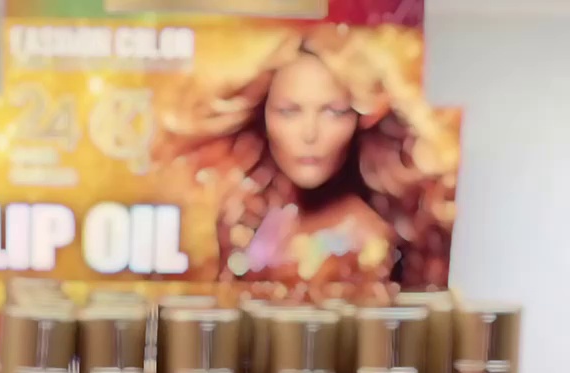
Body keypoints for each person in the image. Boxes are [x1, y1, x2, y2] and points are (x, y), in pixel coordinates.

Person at [154, 25, 460, 290]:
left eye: (333, 111)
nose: (310, 134)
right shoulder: (254, 216)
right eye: (289, 111)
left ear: (360, 118)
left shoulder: (369, 238)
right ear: (263, 115)